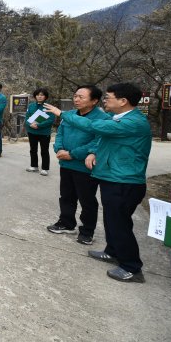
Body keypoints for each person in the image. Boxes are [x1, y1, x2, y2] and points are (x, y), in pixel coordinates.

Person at [44, 83, 152, 283]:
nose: (105, 100)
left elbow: (94, 127)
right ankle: (112, 251)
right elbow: (102, 140)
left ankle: (132, 267)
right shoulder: (120, 118)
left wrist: (62, 113)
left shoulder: (133, 122)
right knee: (112, 220)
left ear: (123, 101)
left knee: (120, 224)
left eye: (108, 97)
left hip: (124, 180)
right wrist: (93, 152)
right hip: (112, 177)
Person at [46, 85, 110, 245]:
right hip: (66, 164)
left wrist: (72, 154)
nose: (76, 99)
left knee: (87, 199)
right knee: (66, 195)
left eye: (81, 97)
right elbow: (60, 134)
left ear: (94, 100)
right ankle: (66, 223)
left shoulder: (102, 119)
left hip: (84, 166)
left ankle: (87, 231)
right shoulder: (69, 115)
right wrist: (59, 148)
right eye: (75, 96)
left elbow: (97, 142)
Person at [25, 87, 53, 176]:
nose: (39, 97)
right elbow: (27, 117)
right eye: (37, 95)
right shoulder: (31, 106)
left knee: (44, 150)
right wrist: (30, 124)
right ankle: (34, 166)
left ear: (45, 97)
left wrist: (38, 125)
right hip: (31, 131)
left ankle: (45, 168)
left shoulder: (48, 107)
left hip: (44, 132)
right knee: (33, 149)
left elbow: (50, 120)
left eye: (42, 95)